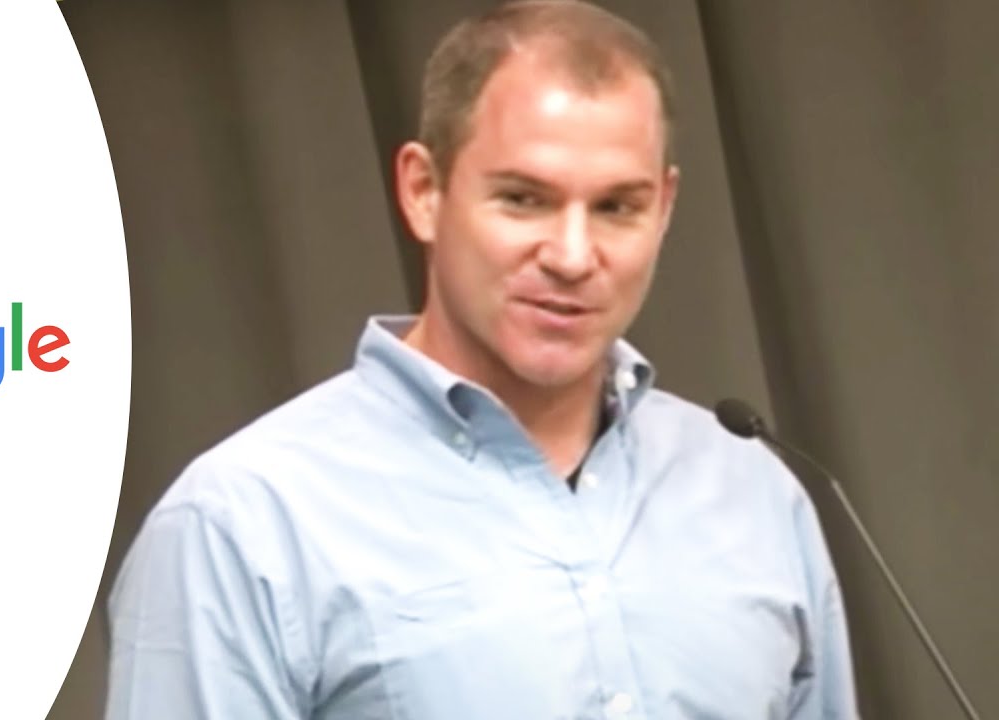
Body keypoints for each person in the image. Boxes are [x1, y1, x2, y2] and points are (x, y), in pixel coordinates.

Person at [106, 1, 859, 718]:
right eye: (524, 199)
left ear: (662, 209)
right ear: (423, 191)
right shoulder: (241, 524)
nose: (572, 256)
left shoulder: (756, 493)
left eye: (616, 207)